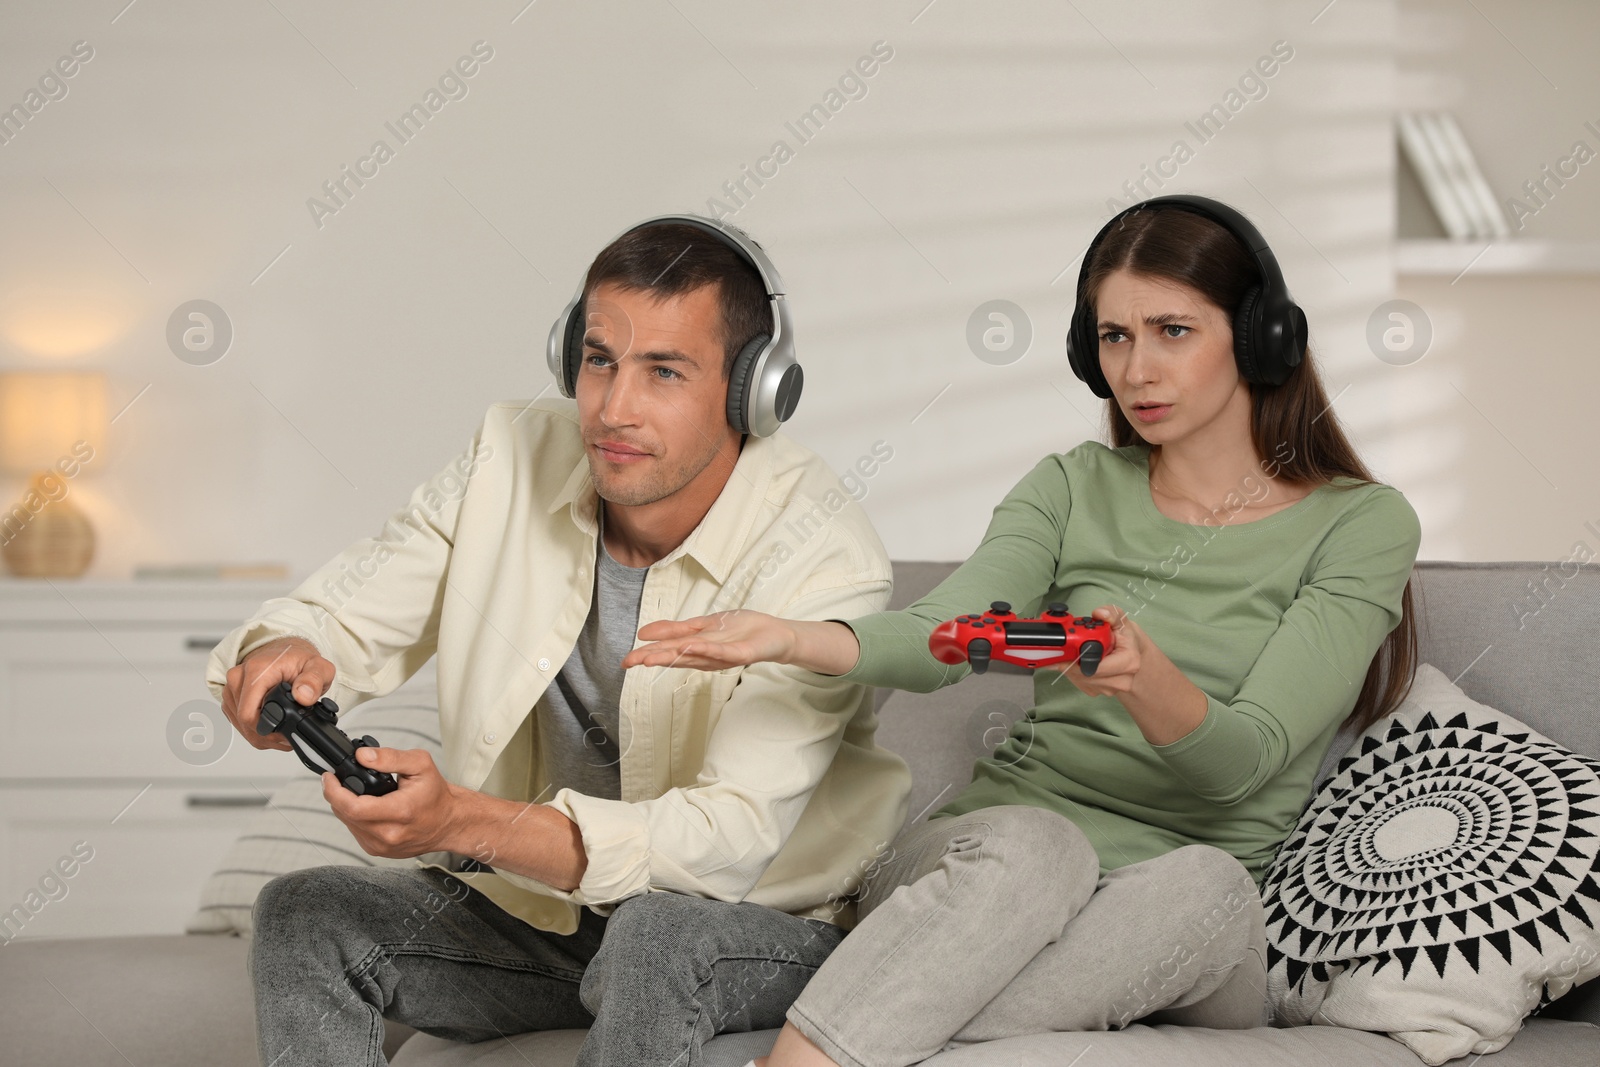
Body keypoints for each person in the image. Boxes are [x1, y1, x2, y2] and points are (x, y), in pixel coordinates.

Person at [623, 196, 1424, 1067]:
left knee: (1213, 887)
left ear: (1259, 336)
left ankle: (873, 1015)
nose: (1138, 369)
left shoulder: (1363, 525)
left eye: (1173, 331)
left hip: (1170, 910)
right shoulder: (1072, 486)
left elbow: (1246, 763)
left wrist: (1145, 678)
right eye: (1113, 337)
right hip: (994, 872)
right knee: (1037, 843)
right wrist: (790, 637)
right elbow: (944, 634)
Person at [204, 215, 912, 1067]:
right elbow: (352, 609)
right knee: (307, 914)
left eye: (664, 372)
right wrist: (285, 648)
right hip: (554, 913)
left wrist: (466, 818)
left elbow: (722, 845)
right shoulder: (509, 459)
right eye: (600, 359)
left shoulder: (824, 552)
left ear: (749, 393)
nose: (613, 408)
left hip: (762, 927)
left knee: (655, 933)